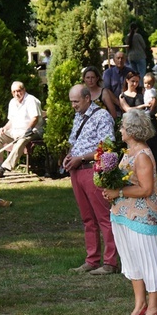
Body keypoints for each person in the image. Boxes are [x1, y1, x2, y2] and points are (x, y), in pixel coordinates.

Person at [102, 110, 157, 315]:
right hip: (123, 215)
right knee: (132, 260)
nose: (120, 130)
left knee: (149, 262)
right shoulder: (129, 151)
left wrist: (119, 192)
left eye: (123, 127)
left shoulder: (143, 155)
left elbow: (146, 189)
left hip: (143, 217)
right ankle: (139, 305)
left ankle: (154, 309)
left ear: (133, 130)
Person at [64, 84, 118, 275]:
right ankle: (92, 259)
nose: (73, 106)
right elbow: (74, 142)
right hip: (77, 170)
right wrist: (70, 156)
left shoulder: (102, 116)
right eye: (71, 102)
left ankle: (111, 262)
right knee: (87, 218)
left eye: (76, 101)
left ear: (88, 98)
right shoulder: (79, 115)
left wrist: (82, 157)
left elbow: (108, 146)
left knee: (103, 217)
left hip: (92, 169)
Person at [0, 81, 44, 178]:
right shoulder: (12, 102)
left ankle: (5, 167)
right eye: (14, 92)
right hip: (16, 131)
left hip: (32, 131)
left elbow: (34, 118)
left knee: (21, 140)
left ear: (24, 90)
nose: (16, 94)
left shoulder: (31, 100)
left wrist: (27, 130)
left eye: (18, 91)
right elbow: (11, 120)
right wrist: (4, 128)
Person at [120, 71, 157, 176]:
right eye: (132, 81)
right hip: (132, 124)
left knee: (153, 145)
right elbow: (128, 109)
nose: (135, 84)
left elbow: (153, 101)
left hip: (147, 121)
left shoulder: (143, 91)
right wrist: (143, 106)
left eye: (137, 81)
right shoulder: (122, 96)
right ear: (127, 81)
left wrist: (154, 104)